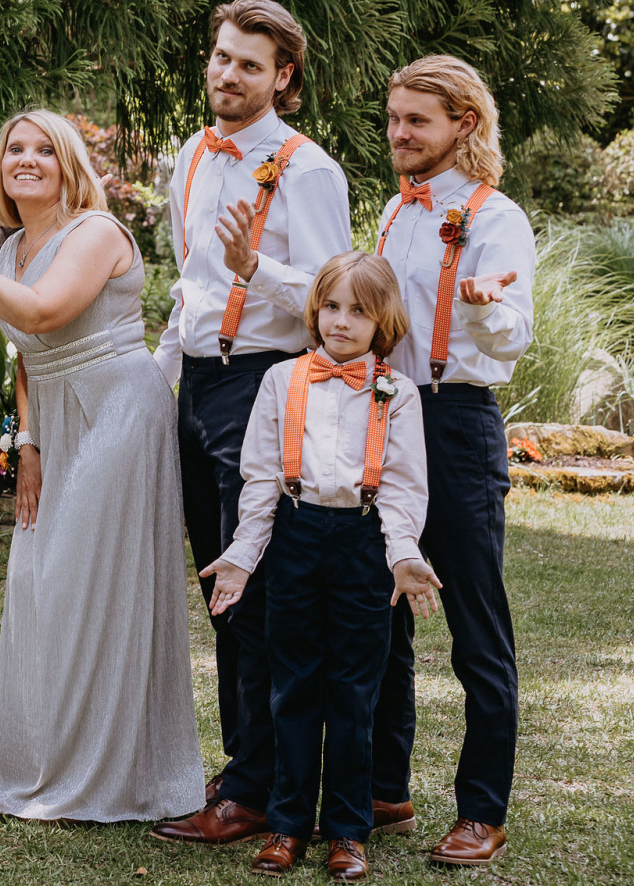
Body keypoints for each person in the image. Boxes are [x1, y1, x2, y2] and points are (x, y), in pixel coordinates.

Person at [0, 108, 206, 822]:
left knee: (92, 582)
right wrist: (25, 444)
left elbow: (44, 313)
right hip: (54, 416)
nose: (26, 159)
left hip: (117, 410)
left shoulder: (96, 232)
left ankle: (110, 779)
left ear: (68, 163)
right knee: (36, 582)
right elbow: (26, 359)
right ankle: (48, 765)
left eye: (43, 149)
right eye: (13, 147)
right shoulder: (13, 245)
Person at [150, 0, 352, 846]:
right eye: (222, 57)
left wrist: (255, 267)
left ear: (284, 78)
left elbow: (332, 299)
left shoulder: (309, 171)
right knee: (218, 586)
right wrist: (160, 379)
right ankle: (246, 764)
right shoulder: (192, 154)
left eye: (249, 64)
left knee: (256, 588)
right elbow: (188, 281)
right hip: (197, 386)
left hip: (266, 385)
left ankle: (256, 790)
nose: (228, 75)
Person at [200, 252, 440, 880]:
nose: (341, 321)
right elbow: (258, 479)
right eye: (331, 306)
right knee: (293, 688)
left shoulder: (400, 392)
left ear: (382, 321)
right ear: (315, 311)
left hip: (363, 545)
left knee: (357, 694)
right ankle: (285, 825)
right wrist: (242, 560)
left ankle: (347, 831)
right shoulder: (281, 381)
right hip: (296, 539)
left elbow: (403, 487)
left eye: (359, 311)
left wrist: (403, 556)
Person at [371, 55, 534, 867]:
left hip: (456, 423)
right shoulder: (396, 215)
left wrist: (488, 306)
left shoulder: (495, 217)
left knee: (475, 625)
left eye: (416, 121)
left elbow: (515, 333)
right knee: (379, 611)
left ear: (463, 124)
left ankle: (483, 808)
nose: (398, 133)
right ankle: (385, 788)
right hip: (382, 416)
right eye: (394, 118)